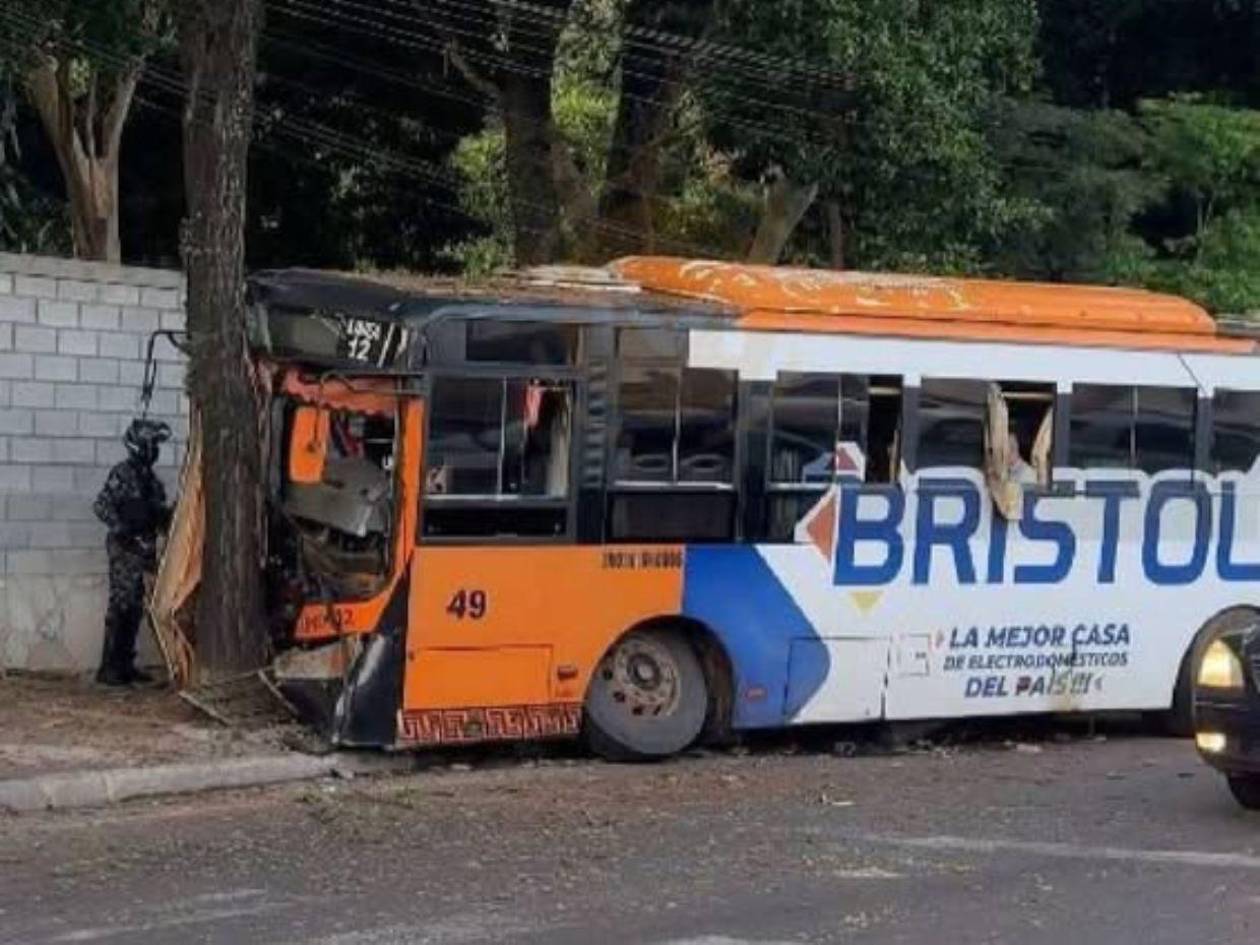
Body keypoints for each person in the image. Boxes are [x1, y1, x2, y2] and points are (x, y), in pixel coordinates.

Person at [93, 419, 173, 686]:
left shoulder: (152, 482)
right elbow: (102, 506)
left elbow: (160, 518)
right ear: (138, 446)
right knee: (121, 605)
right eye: (150, 445)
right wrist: (122, 529)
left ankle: (125, 665)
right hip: (124, 550)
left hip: (144, 551)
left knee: (135, 608)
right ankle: (109, 668)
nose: (154, 450)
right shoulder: (122, 474)